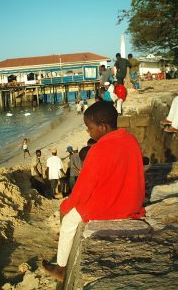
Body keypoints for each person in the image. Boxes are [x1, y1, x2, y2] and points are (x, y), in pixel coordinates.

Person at [42, 101, 145, 282]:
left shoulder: (98, 150)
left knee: (68, 221)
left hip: (111, 207)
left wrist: (68, 204)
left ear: (102, 126)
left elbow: (83, 187)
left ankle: (60, 268)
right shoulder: (131, 140)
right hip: (132, 202)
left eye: (89, 128)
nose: (88, 132)